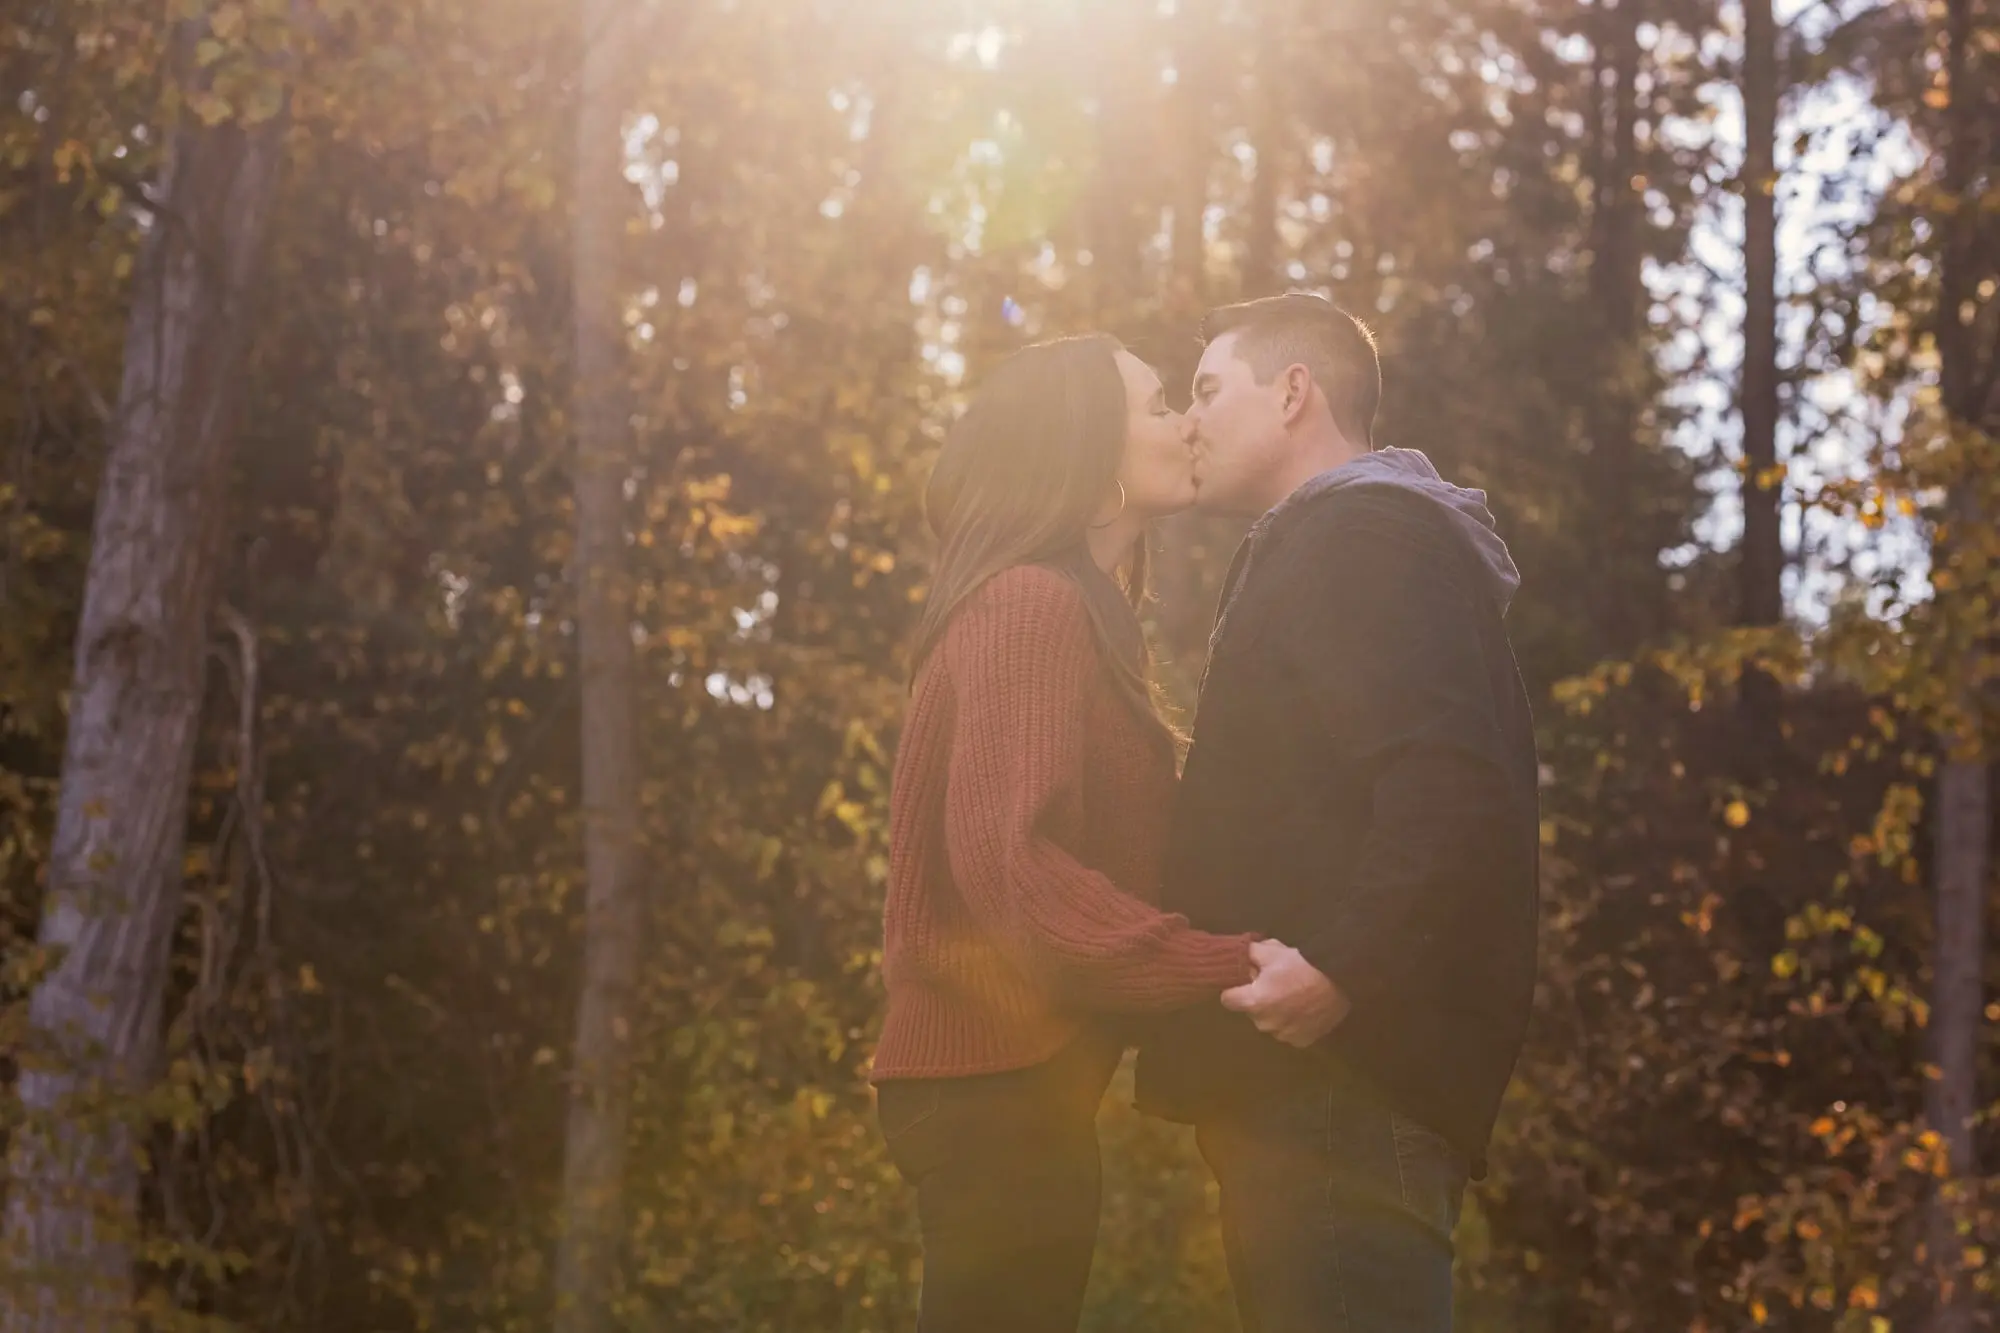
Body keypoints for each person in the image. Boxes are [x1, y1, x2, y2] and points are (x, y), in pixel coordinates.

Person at [1134, 293, 1541, 1333]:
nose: (1190, 420)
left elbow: (1449, 781)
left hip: (1339, 1092)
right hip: (1316, 1093)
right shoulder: (1349, 539)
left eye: (1208, 390)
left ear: (1292, 393)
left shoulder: (1359, 538)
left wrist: (1341, 967)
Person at [871, 334, 1288, 1333]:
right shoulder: (1029, 605)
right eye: (1154, 405)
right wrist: (1225, 964)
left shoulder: (1076, 610)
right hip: (991, 1090)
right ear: (1090, 463)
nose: (1183, 420)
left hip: (1011, 1086)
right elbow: (1017, 873)